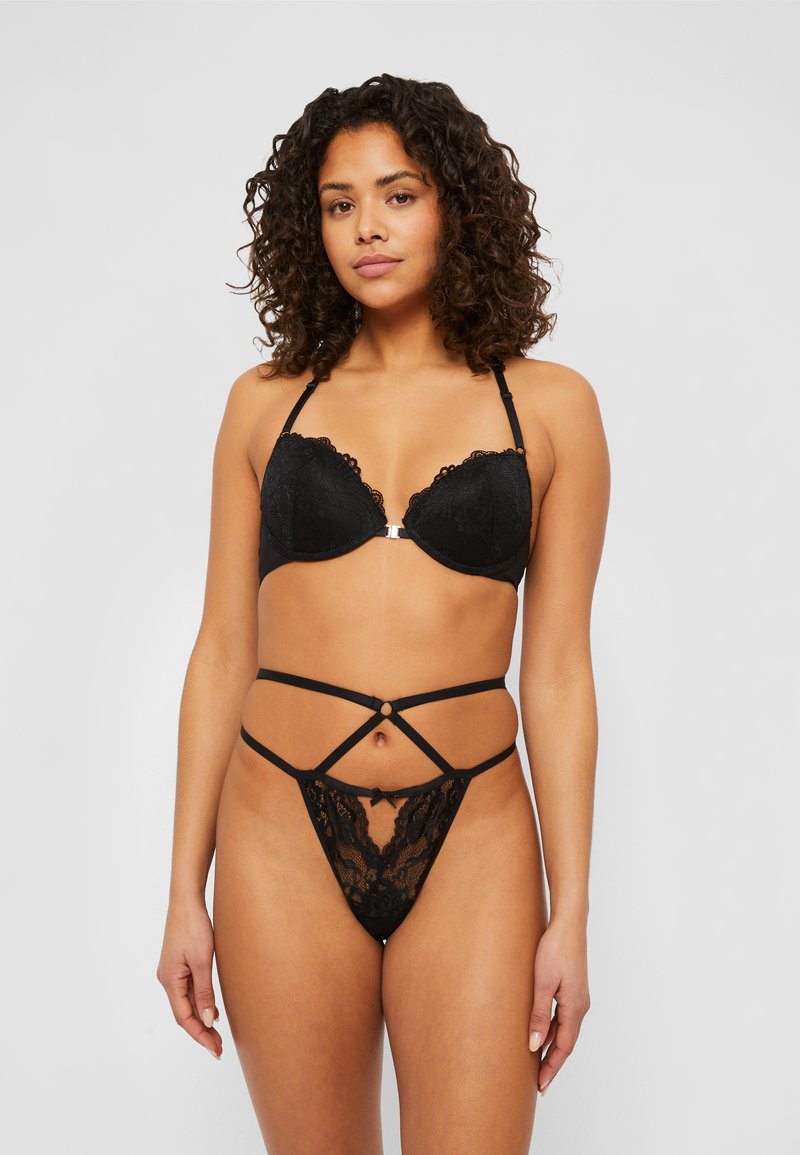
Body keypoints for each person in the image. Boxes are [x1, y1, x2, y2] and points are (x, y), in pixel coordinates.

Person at [157, 73, 610, 1155]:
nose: (367, 227)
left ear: (456, 206)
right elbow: (222, 651)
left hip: (473, 834)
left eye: (398, 196)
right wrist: (182, 889)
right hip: (277, 827)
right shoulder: (266, 402)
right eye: (338, 203)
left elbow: (556, 672)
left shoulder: (551, 407)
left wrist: (572, 913)